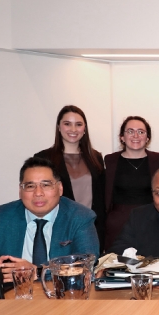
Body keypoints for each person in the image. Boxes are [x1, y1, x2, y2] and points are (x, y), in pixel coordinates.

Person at [0, 157, 99, 281]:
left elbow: (86, 264)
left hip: (62, 298)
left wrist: (37, 272)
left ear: (60, 188)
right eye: (30, 186)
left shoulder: (80, 217)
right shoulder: (0, 217)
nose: (38, 193)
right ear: (20, 191)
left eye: (46, 185)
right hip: (13, 298)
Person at [35, 105, 105, 249]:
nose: (73, 129)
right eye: (67, 124)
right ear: (59, 127)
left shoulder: (96, 157)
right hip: (58, 228)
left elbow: (101, 198)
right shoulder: (44, 158)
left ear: (84, 129)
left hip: (90, 228)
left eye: (78, 125)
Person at [104, 116, 159, 250]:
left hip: (151, 222)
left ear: (147, 138)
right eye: (130, 131)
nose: (136, 135)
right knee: (117, 267)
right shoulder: (110, 161)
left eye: (141, 132)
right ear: (122, 137)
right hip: (117, 225)